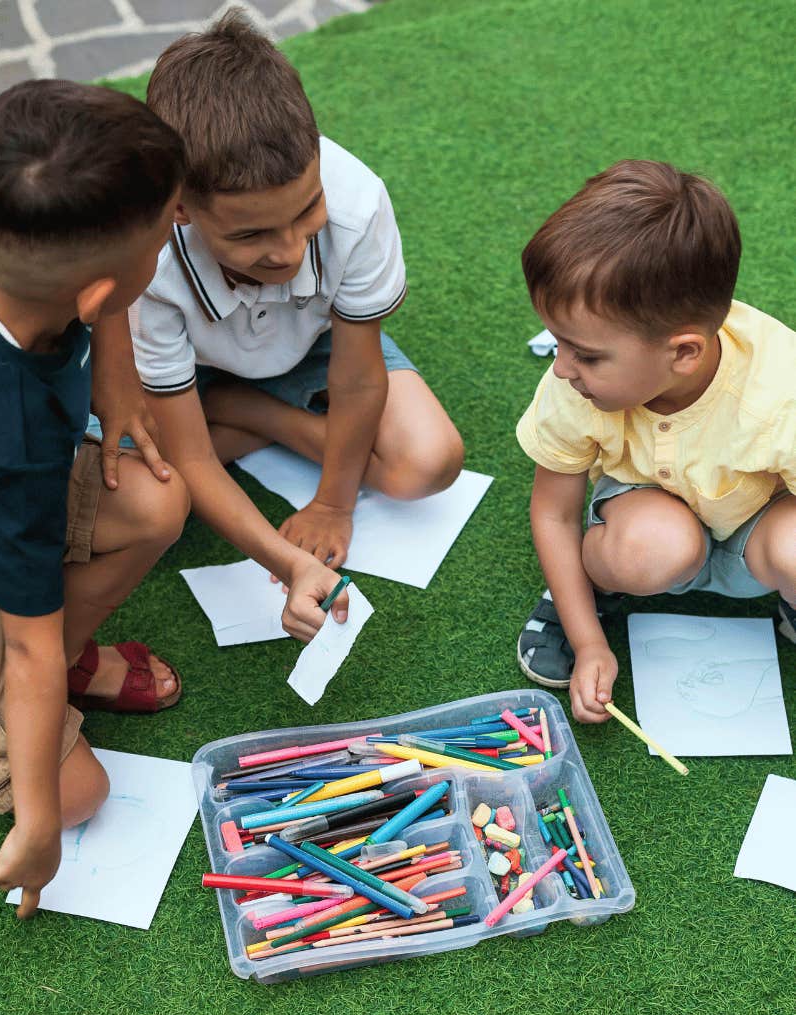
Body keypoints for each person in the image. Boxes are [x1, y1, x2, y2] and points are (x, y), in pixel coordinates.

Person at [99, 8, 464, 640]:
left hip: (314, 351)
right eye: (251, 234)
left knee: (430, 463)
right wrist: (285, 560)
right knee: (145, 493)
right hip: (194, 372)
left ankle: (255, 412)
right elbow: (187, 454)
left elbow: (356, 378)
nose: (290, 249)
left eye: (307, 209)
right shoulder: (147, 263)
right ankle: (237, 407)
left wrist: (332, 504)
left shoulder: (358, 201)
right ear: (179, 207)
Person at [0, 80, 191, 916]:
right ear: (93, 293)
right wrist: (43, 827)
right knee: (80, 792)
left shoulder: (2, 254)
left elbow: (101, 301)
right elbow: (26, 649)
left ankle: (60, 654)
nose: (178, 232)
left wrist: (117, 382)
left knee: (157, 503)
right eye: (166, 235)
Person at [515, 159, 796, 723]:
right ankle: (597, 590)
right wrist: (588, 639)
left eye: (587, 354)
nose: (563, 368)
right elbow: (553, 513)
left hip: (756, 527)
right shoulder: (575, 385)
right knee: (652, 548)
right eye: (558, 343)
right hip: (648, 518)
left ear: (684, 352)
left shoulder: (781, 393)